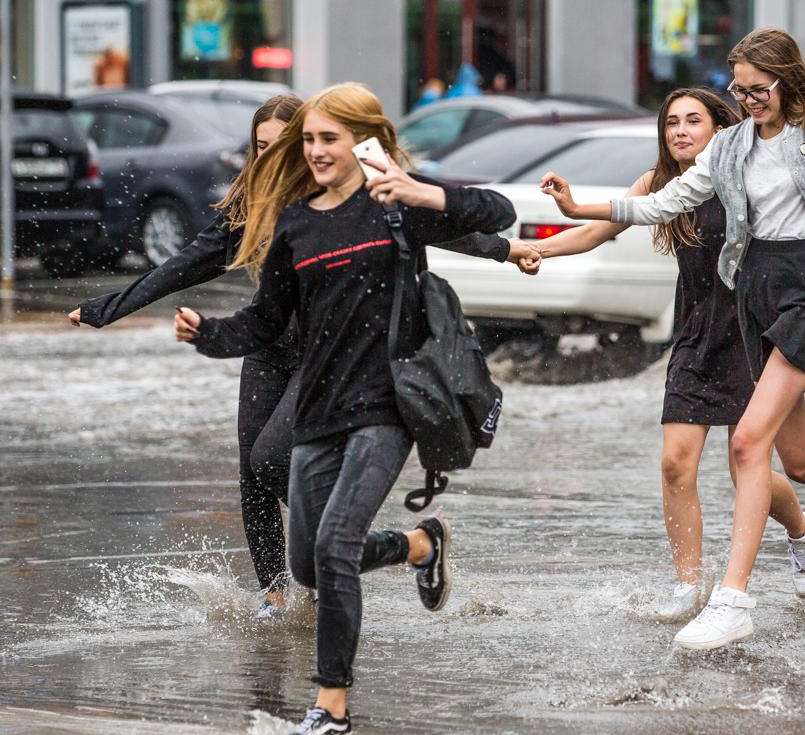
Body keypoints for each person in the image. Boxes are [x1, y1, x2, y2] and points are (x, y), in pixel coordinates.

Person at [544, 27, 805, 651]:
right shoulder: (732, 144)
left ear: (785, 79)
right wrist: (587, 211)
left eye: (758, 89)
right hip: (754, 293)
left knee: (746, 443)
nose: (749, 101)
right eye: (739, 91)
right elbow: (668, 201)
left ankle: (732, 598)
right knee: (800, 462)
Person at [69, 94, 532, 620]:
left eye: (280, 147)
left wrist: (505, 249)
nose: (268, 158)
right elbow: (187, 263)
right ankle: (278, 592)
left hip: (326, 355)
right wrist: (109, 308)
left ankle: (358, 543)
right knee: (252, 470)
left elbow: (419, 221)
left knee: (273, 461)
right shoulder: (254, 206)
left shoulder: (339, 197)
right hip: (267, 348)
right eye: (259, 148)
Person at [174, 83, 516, 735]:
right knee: (309, 564)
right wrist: (208, 335)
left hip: (386, 410)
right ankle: (421, 544)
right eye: (309, 140)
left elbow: (495, 212)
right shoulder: (298, 223)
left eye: (328, 138)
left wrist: (426, 192)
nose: (315, 151)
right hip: (318, 414)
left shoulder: (397, 205)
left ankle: (330, 708)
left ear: (366, 140)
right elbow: (266, 320)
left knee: (332, 548)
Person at [526, 87, 805, 620]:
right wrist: (537, 249)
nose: (680, 131)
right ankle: (688, 584)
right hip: (696, 331)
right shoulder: (659, 183)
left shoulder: (745, 170)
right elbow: (595, 232)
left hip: (756, 332)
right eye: (671, 123)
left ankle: (801, 530)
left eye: (692, 121)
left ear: (718, 128)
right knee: (675, 464)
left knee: (751, 467)